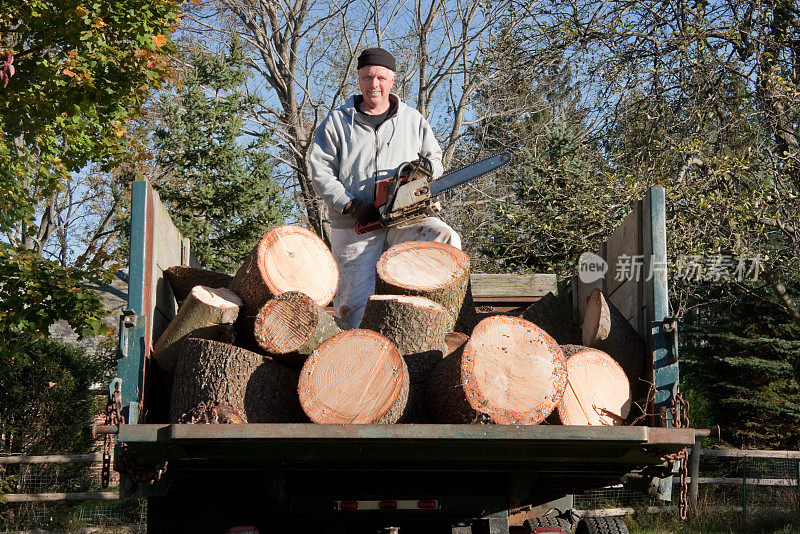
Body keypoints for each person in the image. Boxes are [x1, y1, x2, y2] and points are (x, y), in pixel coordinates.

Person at [310, 47, 461, 328]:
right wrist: (349, 203)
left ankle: (437, 324)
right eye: (367, 77)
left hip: (404, 219)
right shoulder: (338, 122)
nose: (374, 84)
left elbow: (436, 160)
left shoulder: (412, 120)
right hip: (355, 226)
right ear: (359, 79)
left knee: (444, 237)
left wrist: (423, 172)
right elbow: (319, 170)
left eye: (380, 77)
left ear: (392, 80)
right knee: (353, 308)